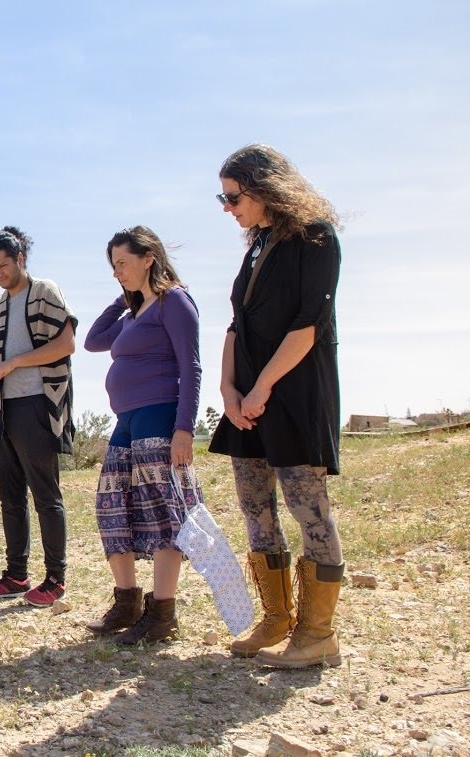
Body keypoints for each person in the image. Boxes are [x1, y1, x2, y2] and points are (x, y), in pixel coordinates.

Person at [209, 144, 345, 668]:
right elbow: (235, 325)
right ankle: (277, 618)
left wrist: (262, 387)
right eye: (222, 198)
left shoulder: (315, 236)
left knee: (309, 510)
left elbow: (309, 325)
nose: (228, 208)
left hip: (294, 394)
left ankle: (318, 635)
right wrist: (228, 391)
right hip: (246, 399)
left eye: (233, 196)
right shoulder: (257, 244)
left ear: (266, 188)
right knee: (254, 508)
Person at [83, 226, 203, 645]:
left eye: (123, 263)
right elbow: (93, 341)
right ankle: (127, 601)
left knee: (162, 512)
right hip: (126, 421)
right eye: (113, 265)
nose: (117, 272)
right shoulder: (136, 312)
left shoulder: (174, 302)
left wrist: (184, 428)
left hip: (158, 417)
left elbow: (191, 368)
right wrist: (124, 297)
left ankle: (162, 613)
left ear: (148, 257)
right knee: (112, 507)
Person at [0, 226, 77, 608]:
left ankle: (55, 579)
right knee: (9, 496)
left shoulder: (44, 290)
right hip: (0, 409)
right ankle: (16, 574)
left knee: (46, 495)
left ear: (20, 259)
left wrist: (15, 364)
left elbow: (66, 345)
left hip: (38, 404)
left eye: (3, 265)